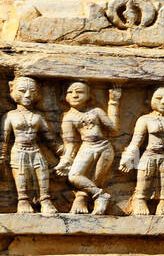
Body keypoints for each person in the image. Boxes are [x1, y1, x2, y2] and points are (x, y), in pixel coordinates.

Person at [119, 87, 164, 217]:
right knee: (145, 174)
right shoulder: (145, 119)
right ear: (149, 100)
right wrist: (128, 159)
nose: (163, 102)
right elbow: (136, 142)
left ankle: (163, 202)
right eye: (159, 98)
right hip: (148, 155)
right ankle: (139, 200)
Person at [57, 82, 121, 215]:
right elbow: (70, 143)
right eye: (70, 92)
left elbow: (113, 128)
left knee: (95, 179)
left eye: (79, 92)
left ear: (88, 95)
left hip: (104, 147)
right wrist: (66, 160)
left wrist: (113, 103)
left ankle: (86, 200)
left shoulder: (96, 111)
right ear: (65, 96)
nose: (74, 95)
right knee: (74, 176)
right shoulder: (68, 118)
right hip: (86, 147)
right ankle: (100, 195)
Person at [2, 76, 59, 216]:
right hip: (19, 150)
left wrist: (64, 152)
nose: (28, 95)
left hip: (35, 150)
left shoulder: (38, 116)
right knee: (20, 173)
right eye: (22, 91)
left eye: (32, 91)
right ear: (11, 89)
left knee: (42, 171)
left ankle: (45, 200)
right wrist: (2, 154)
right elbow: (3, 138)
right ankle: (23, 200)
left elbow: (50, 138)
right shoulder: (10, 115)